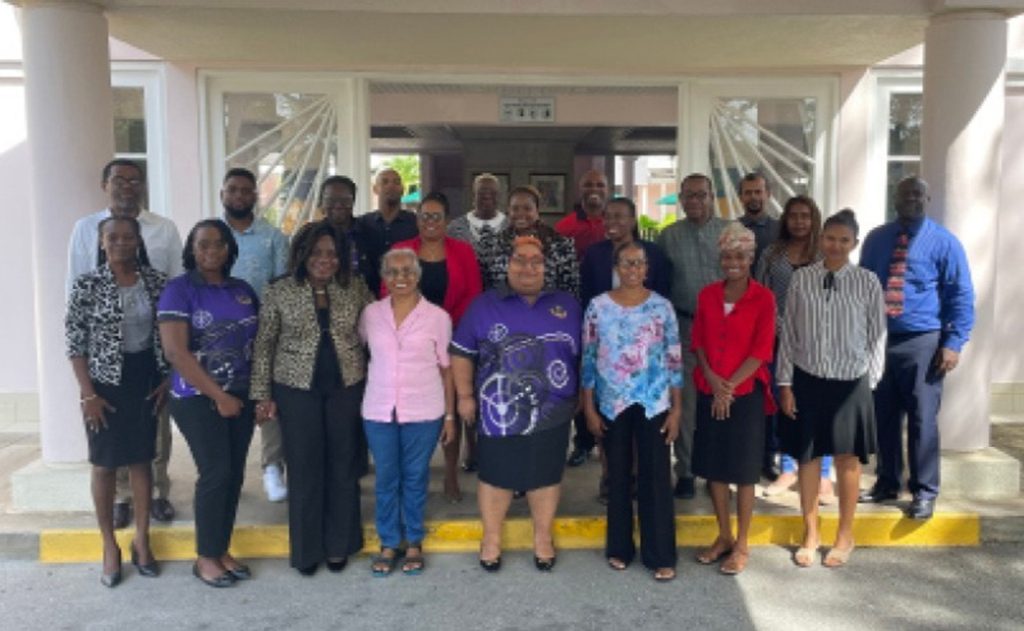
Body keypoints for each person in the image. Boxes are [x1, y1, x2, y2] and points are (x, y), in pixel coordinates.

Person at [451, 236, 581, 572]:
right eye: (520, 260)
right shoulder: (483, 305)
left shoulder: (567, 304)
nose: (528, 267)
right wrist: (465, 396)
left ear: (546, 266)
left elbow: (585, 356)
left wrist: (582, 395)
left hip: (553, 410)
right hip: (500, 413)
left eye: (536, 261)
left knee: (546, 475)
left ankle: (543, 537)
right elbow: (462, 354)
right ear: (507, 265)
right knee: (496, 475)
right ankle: (491, 539)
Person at [251, 221, 373, 576]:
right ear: (302, 254)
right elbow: (264, 344)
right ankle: (307, 550)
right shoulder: (279, 290)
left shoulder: (355, 288)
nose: (325, 260)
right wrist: (262, 395)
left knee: (342, 466)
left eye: (333, 253)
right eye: (317, 252)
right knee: (304, 469)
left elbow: (376, 330)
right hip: (294, 389)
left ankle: (340, 545)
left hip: (346, 387)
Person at [67, 158, 182, 528]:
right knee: (109, 441)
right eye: (119, 179)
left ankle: (159, 493)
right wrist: (85, 386)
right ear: (105, 184)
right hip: (105, 360)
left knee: (155, 433)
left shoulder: (164, 229)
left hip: (149, 356)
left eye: (135, 180)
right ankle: (121, 499)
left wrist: (171, 367)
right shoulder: (84, 229)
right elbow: (74, 296)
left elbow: (176, 289)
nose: (127, 186)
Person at [858, 176, 975, 520]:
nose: (912, 199)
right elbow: (864, 288)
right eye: (906, 193)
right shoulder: (877, 239)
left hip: (923, 342)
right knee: (883, 416)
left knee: (923, 419)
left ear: (927, 198)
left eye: (919, 195)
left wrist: (953, 343)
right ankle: (887, 482)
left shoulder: (945, 242)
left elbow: (961, 295)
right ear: (895, 197)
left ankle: (924, 492)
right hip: (880, 340)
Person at [777, 209, 887, 568]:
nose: (835, 245)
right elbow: (789, 335)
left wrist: (868, 383)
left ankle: (845, 533)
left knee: (846, 458)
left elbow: (876, 336)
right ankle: (811, 531)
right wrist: (785, 382)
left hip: (851, 381)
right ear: (820, 239)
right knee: (807, 456)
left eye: (844, 240)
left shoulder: (867, 282)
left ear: (854, 243)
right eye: (830, 238)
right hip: (807, 379)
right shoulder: (802, 279)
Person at [65, 216, 167, 587]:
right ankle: (109, 545)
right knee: (105, 464)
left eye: (128, 237)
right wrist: (88, 393)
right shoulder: (87, 285)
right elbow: (75, 343)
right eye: (113, 237)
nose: (121, 243)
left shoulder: (157, 282)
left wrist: (168, 377)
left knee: (142, 458)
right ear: (101, 242)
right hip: (103, 383)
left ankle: (142, 539)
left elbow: (172, 333)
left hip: (145, 378)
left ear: (138, 241)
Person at [158, 219, 259, 588]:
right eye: (202, 244)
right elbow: (175, 351)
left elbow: (257, 344)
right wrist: (219, 396)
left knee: (232, 475)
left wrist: (256, 395)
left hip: (242, 395)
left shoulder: (242, 289)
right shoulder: (179, 290)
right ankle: (205, 558)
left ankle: (221, 549)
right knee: (215, 472)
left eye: (218, 244)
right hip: (197, 396)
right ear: (192, 249)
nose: (211, 250)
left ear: (230, 248)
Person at [581, 241, 681, 581]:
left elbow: (675, 361)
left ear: (647, 268)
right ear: (616, 267)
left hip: (654, 401)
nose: (633, 270)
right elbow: (589, 359)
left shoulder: (661, 308)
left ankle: (660, 554)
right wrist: (588, 408)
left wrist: (677, 410)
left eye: (638, 263)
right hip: (612, 402)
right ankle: (620, 547)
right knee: (618, 475)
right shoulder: (598, 307)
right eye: (626, 263)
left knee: (655, 477)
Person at [360, 248, 456, 576]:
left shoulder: (437, 318)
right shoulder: (370, 314)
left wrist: (450, 416)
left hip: (425, 410)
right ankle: (389, 542)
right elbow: (364, 351)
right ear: (384, 277)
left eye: (407, 271)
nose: (401, 278)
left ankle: (413, 540)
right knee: (386, 478)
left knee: (415, 478)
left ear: (417, 275)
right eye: (393, 271)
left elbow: (447, 370)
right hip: (378, 409)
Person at [691, 222, 775, 575]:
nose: (733, 262)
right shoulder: (708, 295)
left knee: (743, 472)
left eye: (740, 256)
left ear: (751, 257)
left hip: (745, 395)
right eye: (727, 256)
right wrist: (713, 380)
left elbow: (761, 351)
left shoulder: (763, 298)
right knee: (715, 469)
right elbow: (698, 343)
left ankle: (742, 544)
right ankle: (723, 535)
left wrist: (728, 387)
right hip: (710, 390)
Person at [388, 192, 483, 502]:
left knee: (452, 406)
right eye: (425, 216)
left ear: (447, 221)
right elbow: (387, 293)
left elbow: (473, 295)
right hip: (412, 341)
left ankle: (451, 475)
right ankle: (414, 472)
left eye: (436, 216)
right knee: (416, 407)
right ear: (417, 220)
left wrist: (450, 331)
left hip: (454, 337)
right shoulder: (401, 251)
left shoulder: (463, 252)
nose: (430, 222)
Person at [576, 196, 673, 493]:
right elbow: (586, 298)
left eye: (620, 216)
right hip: (608, 354)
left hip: (646, 358)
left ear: (633, 220)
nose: (612, 222)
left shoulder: (654, 255)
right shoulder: (594, 255)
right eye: (608, 216)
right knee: (609, 423)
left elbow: (662, 300)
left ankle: (638, 477)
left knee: (643, 424)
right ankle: (610, 476)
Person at [655, 173, 730, 499]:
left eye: (701, 195)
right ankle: (685, 471)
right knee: (683, 402)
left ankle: (720, 470)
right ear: (681, 199)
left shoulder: (730, 233)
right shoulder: (668, 236)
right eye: (688, 196)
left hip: (724, 331)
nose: (694, 201)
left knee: (723, 399)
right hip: (683, 328)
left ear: (712, 196)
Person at [219, 167, 290, 503]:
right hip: (218, 340)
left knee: (268, 400)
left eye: (247, 190)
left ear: (255, 197)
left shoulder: (273, 238)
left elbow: (280, 288)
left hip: (262, 334)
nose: (240, 196)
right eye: (233, 190)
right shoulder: (211, 235)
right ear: (223, 195)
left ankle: (272, 466)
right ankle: (227, 472)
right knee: (225, 403)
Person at [755, 196, 833, 500]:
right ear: (785, 220)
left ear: (814, 219)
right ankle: (788, 469)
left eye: (805, 216)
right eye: (794, 216)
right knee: (784, 403)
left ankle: (822, 474)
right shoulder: (772, 255)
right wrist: (781, 328)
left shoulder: (826, 254)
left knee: (819, 405)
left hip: (819, 341)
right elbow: (761, 295)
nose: (799, 221)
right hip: (778, 340)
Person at [477, 185, 578, 296]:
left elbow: (571, 290)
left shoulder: (561, 245)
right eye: (515, 208)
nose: (521, 214)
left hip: (547, 310)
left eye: (527, 208)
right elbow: (485, 287)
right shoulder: (492, 245)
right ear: (508, 211)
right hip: (502, 310)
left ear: (537, 210)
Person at [320, 175, 383, 296]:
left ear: (353, 201)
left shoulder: (372, 235)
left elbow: (381, 277)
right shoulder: (309, 237)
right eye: (331, 199)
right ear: (322, 202)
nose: (338, 205)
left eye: (345, 199)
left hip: (364, 305)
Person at [356, 168, 418, 259]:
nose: (391, 186)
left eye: (396, 182)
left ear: (402, 189)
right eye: (385, 182)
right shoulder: (362, 223)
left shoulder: (415, 222)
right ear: (375, 189)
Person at [556, 169, 609, 263]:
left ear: (607, 190)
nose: (594, 189)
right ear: (580, 190)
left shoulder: (615, 224)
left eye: (600, 185)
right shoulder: (564, 226)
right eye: (588, 185)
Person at [447, 173, 508, 251]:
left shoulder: (510, 227)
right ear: (473, 196)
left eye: (492, 192)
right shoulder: (454, 229)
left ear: (499, 196)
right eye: (482, 192)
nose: (487, 196)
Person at [737, 173, 780, 267]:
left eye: (758, 192)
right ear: (740, 197)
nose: (753, 197)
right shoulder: (731, 230)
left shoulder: (781, 230)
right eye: (748, 193)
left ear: (768, 194)